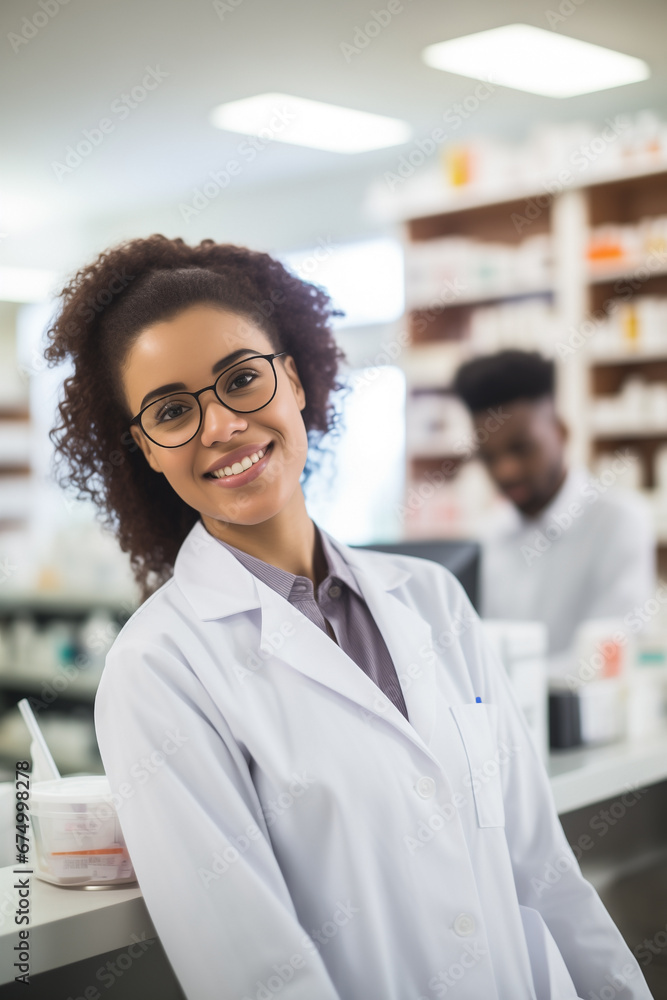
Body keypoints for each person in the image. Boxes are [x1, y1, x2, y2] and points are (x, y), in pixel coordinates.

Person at [45, 236, 652, 1000]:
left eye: (241, 379)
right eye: (171, 409)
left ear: (293, 381)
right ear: (146, 449)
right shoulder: (158, 674)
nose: (222, 425)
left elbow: (541, 870)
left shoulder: (432, 599)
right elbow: (259, 975)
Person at [452, 349, 656, 681]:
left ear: (560, 430)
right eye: (489, 457)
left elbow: (607, 659)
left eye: (521, 448)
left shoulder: (619, 522)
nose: (505, 470)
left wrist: (503, 684)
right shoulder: (486, 535)